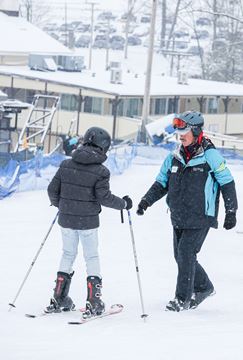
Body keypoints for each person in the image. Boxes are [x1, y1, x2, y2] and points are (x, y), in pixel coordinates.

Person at [137, 111, 238, 312]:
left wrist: (231, 211)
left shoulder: (210, 156)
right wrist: (146, 201)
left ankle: (181, 298)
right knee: (182, 256)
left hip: (201, 215)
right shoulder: (174, 157)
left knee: (185, 253)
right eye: (179, 131)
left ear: (196, 131)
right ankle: (204, 287)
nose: (180, 135)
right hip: (179, 215)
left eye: (185, 131)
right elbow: (161, 183)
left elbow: (227, 182)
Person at [46, 126, 132, 317]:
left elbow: (52, 190)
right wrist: (124, 204)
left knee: (68, 254)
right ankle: (94, 300)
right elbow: (104, 197)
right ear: (103, 147)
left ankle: (59, 297)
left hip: (66, 219)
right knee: (91, 257)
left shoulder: (66, 164)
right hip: (88, 222)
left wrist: (61, 205)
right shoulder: (101, 171)